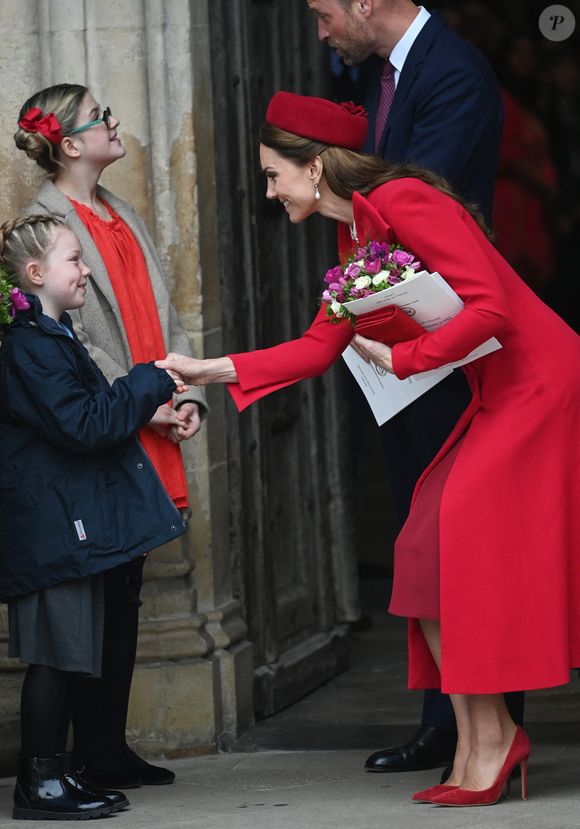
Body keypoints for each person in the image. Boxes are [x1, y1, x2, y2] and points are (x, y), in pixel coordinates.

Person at [156, 92, 580, 806]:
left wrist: (407, 360)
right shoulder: (355, 238)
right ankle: (490, 734)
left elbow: (493, 307)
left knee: (459, 541)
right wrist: (209, 369)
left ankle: (493, 739)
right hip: (495, 392)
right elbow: (318, 348)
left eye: (272, 174)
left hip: (538, 384)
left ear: (314, 166)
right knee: (420, 549)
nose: (268, 190)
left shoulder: (408, 201)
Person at [306, 0, 524, 775]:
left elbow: (413, 194)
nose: (321, 29)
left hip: (450, 341)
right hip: (405, 342)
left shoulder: (454, 74)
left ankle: (484, 724)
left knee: (464, 539)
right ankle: (455, 723)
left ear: (366, 2)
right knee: (422, 534)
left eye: (326, 12)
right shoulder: (381, 76)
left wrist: (323, 192)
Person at [13, 83, 208, 790]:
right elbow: (74, 346)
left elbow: (165, 310)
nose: (116, 123)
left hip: (151, 406)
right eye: (103, 118)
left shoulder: (121, 212)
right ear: (68, 143)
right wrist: (142, 404)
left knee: (126, 587)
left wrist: (185, 392)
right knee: (101, 585)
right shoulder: (46, 222)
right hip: (118, 416)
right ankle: (78, 755)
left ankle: (108, 746)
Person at [0, 214, 188, 820]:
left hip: (65, 520)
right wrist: (147, 380)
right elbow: (83, 424)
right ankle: (40, 783)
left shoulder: (55, 335)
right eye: (75, 260)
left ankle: (63, 773)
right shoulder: (29, 345)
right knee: (54, 656)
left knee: (71, 651)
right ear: (36, 274)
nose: (85, 270)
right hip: (49, 526)